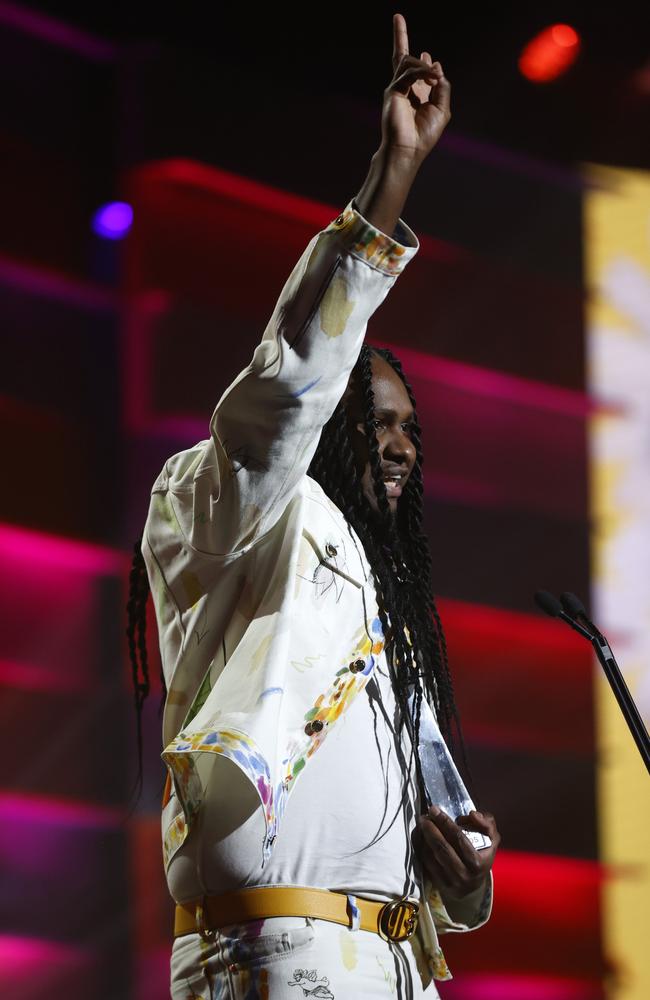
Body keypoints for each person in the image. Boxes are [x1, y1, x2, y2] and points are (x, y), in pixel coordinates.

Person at [127, 14, 500, 999]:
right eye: (373, 419)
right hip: (276, 958)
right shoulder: (226, 502)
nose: (398, 444)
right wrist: (389, 184)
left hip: (392, 966)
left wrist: (463, 863)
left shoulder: (373, 594)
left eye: (411, 431)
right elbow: (291, 372)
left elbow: (434, 823)